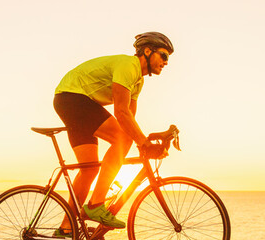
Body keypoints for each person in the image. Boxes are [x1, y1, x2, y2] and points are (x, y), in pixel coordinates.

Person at [51, 32, 173, 237]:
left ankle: (66, 228)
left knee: (89, 170)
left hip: (73, 102)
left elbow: (128, 121)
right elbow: (121, 114)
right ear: (147, 51)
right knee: (122, 139)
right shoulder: (129, 66)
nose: (166, 62)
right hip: (73, 99)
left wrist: (148, 140)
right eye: (164, 56)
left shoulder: (138, 82)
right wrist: (143, 143)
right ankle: (96, 204)